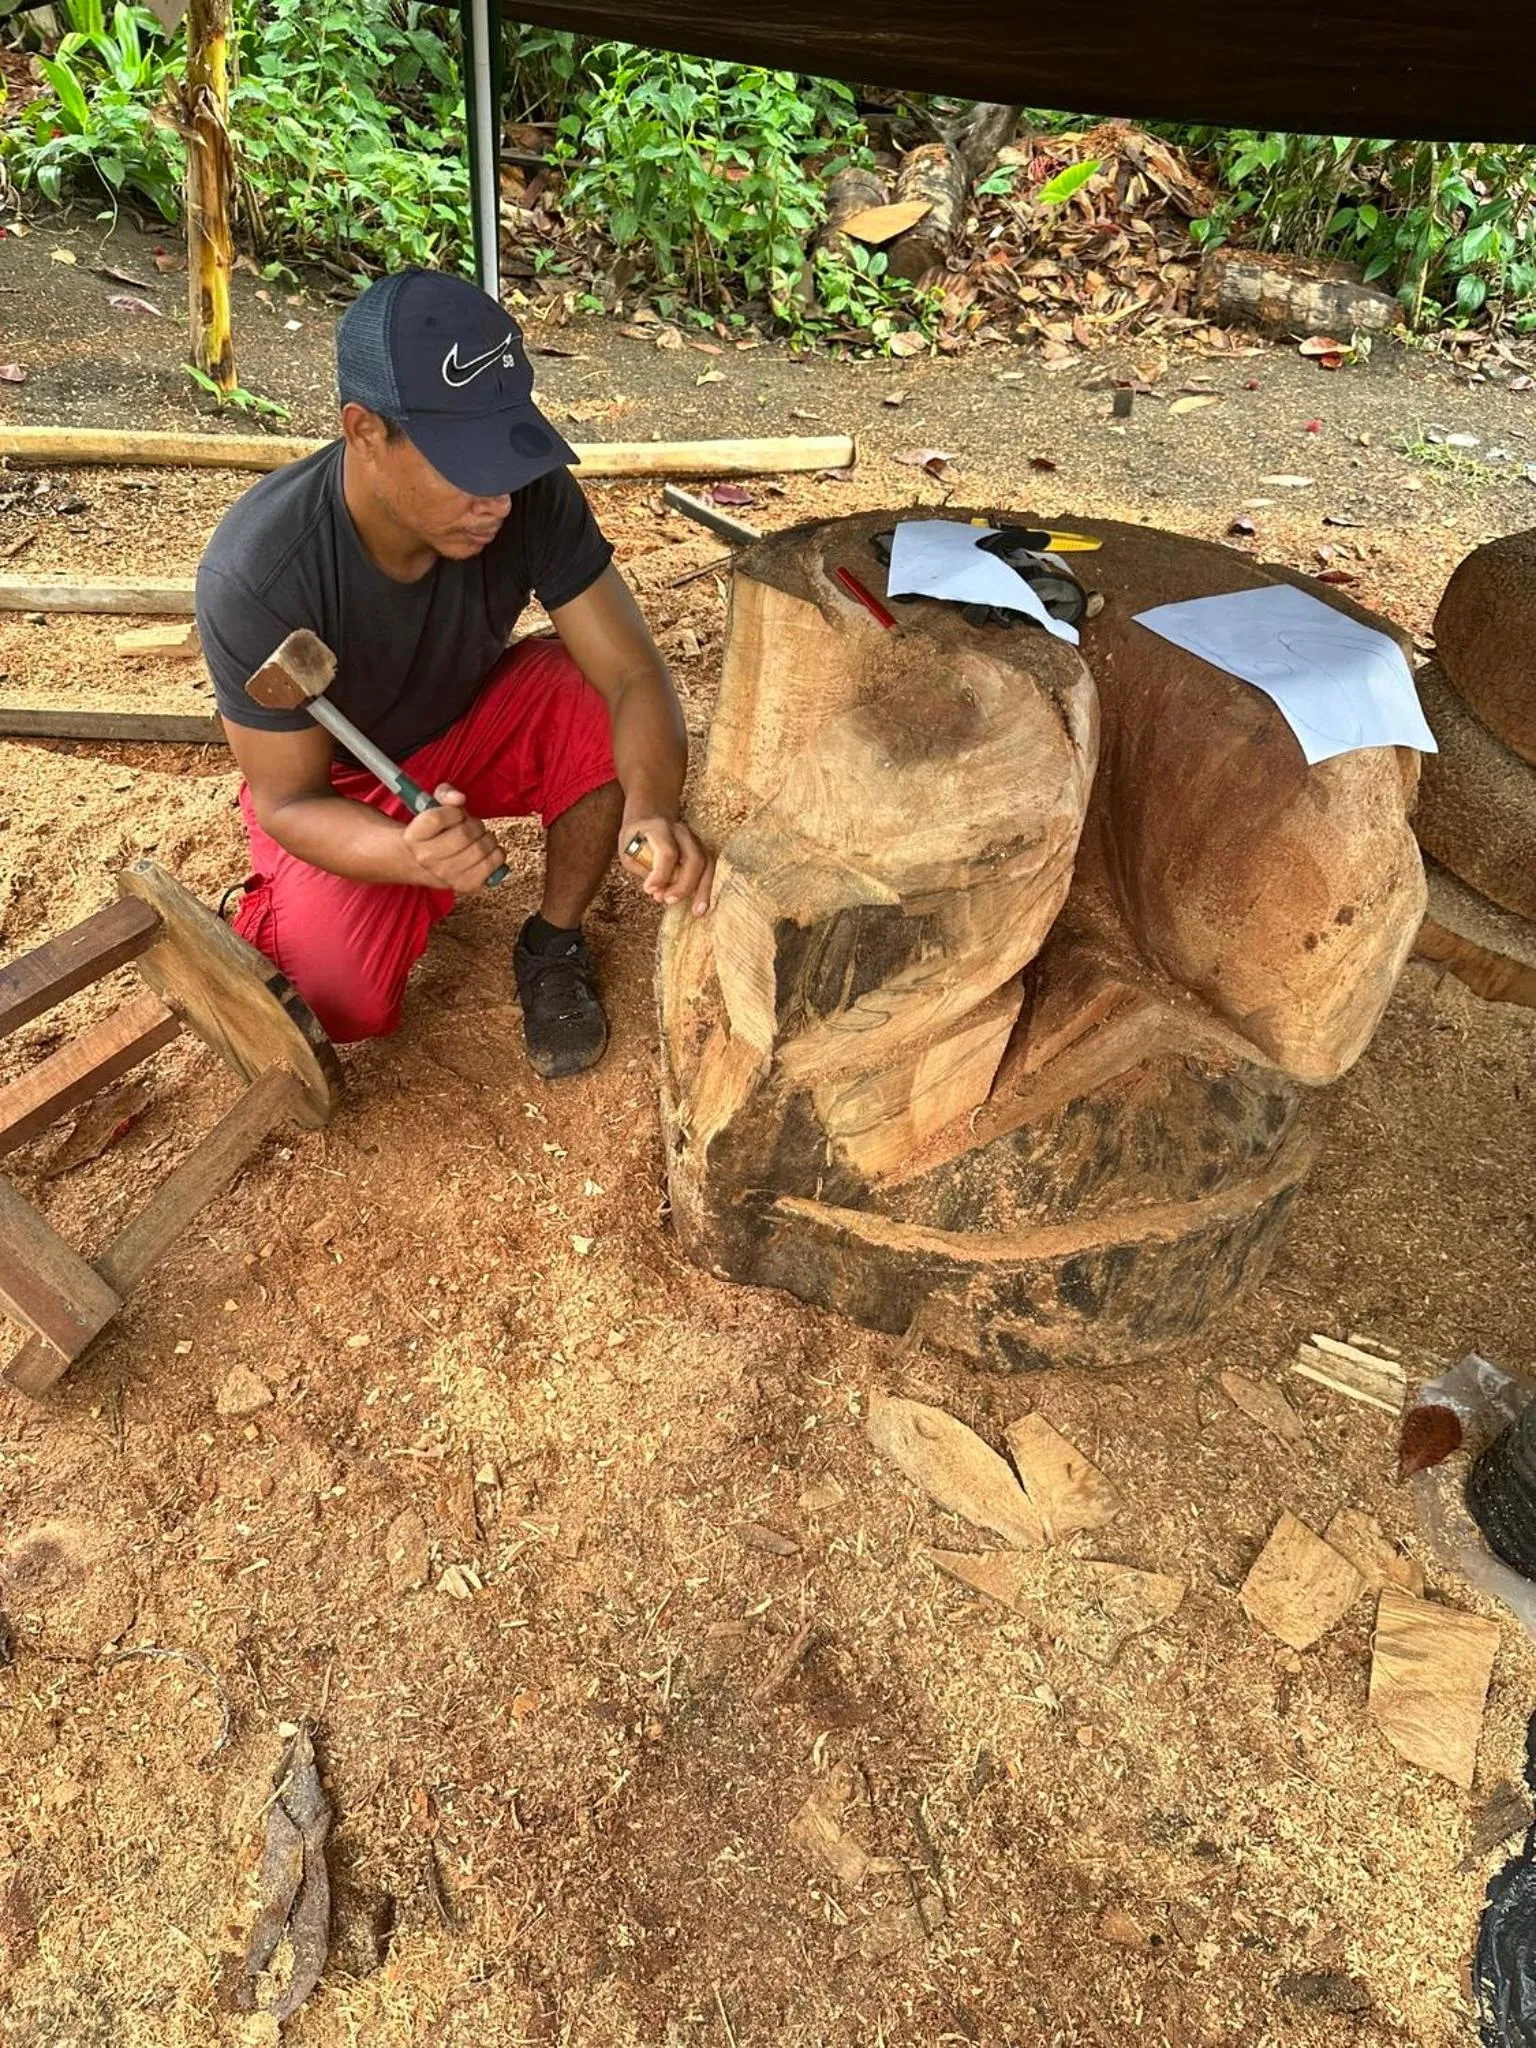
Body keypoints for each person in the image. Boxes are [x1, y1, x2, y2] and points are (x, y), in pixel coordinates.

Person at [195, 267, 713, 1079]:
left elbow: (633, 676)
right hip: (342, 789)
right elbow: (289, 799)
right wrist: (410, 857)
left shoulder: (525, 495)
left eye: (506, 454)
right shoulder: (259, 572)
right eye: (465, 465)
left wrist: (651, 806)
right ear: (364, 432)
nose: (498, 501)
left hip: (471, 723)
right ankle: (275, 912)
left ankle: (552, 940)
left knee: (593, 703)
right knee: (341, 1005)